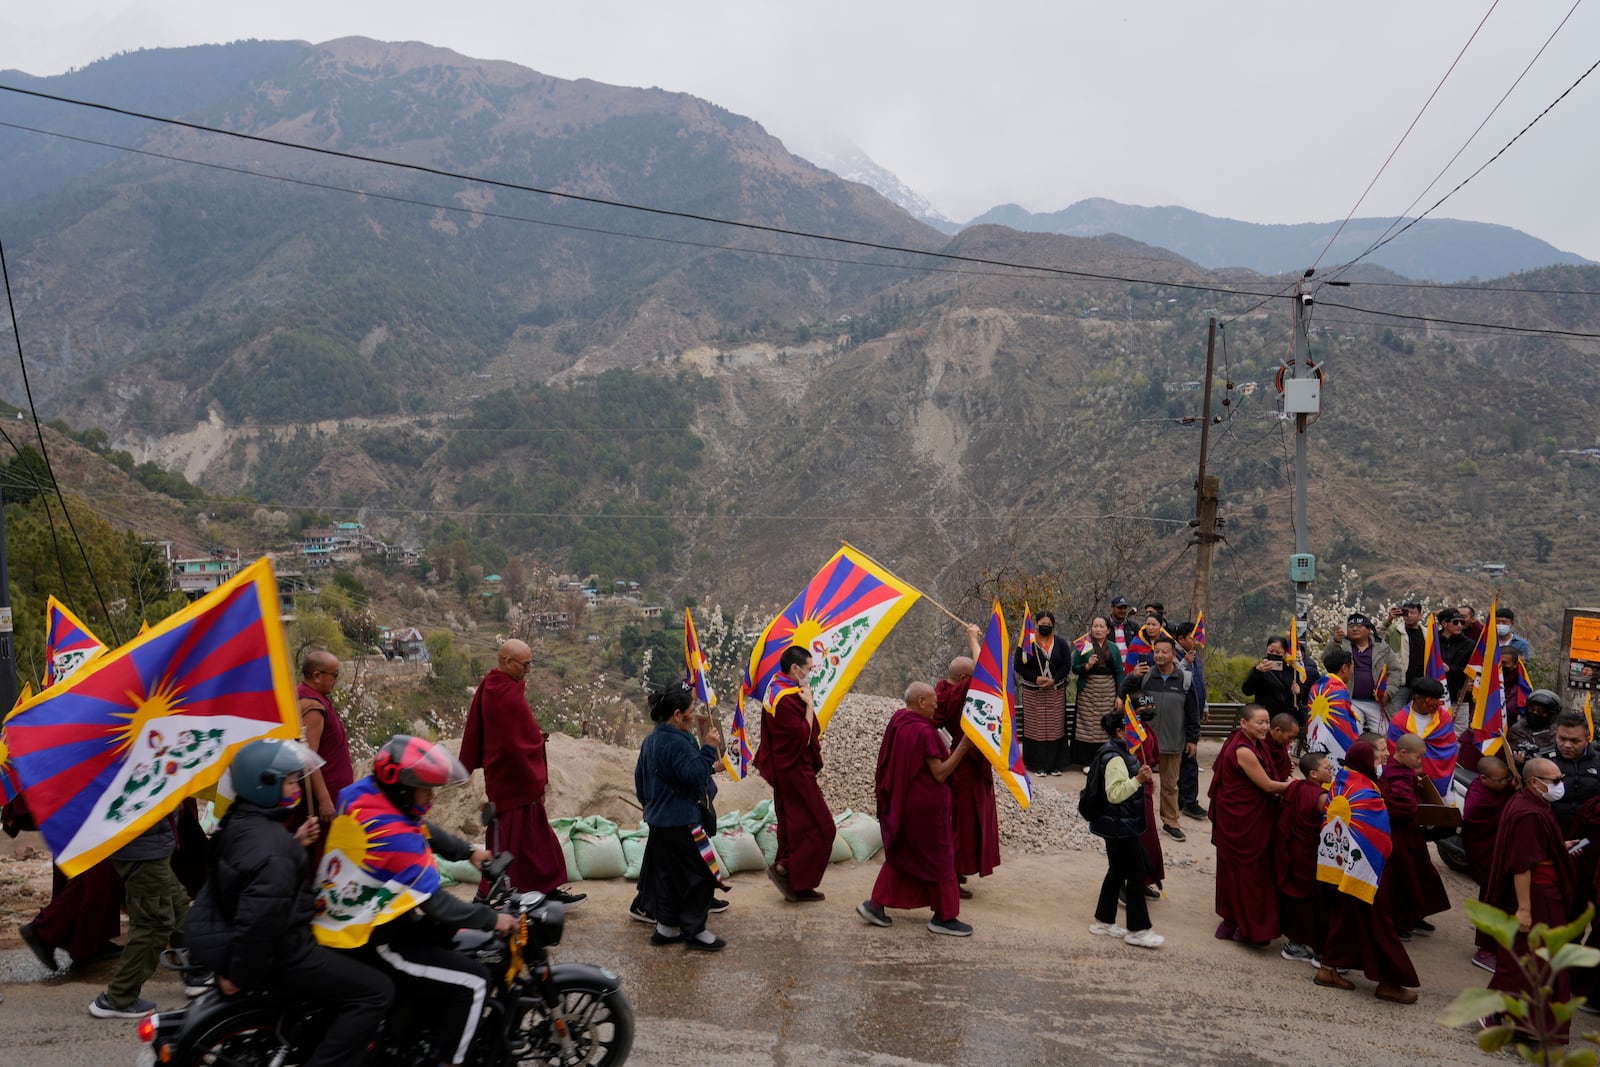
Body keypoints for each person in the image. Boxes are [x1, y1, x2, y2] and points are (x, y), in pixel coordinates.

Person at [185, 739, 392, 1066]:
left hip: (231, 934)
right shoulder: (274, 849)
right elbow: (260, 922)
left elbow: (252, 879)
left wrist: (294, 846)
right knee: (376, 990)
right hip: (282, 953)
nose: (298, 786)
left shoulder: (238, 823)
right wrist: (238, 975)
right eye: (292, 780)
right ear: (265, 784)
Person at [315, 736, 517, 1067]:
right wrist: (492, 919)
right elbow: (437, 905)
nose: (432, 798)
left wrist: (469, 852)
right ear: (404, 790)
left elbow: (422, 826)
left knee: (442, 942)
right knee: (474, 981)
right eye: (426, 790)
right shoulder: (396, 839)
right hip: (372, 939)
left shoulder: (363, 796)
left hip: (345, 917)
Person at [460, 639, 584, 905]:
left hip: (520, 781)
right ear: (507, 662)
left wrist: (533, 737)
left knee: (535, 839)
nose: (528, 670)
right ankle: (485, 896)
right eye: (525, 664)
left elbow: (516, 732)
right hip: (510, 779)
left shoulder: (502, 686)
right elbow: (509, 743)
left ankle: (545, 889)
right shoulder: (500, 692)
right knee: (506, 840)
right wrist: (535, 742)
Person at [858, 681, 977, 937]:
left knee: (902, 857)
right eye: (933, 700)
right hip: (926, 812)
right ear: (921, 702)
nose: (937, 705)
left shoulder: (899, 721)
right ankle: (945, 917)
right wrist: (962, 748)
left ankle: (875, 905)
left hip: (904, 805)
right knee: (942, 861)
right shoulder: (924, 732)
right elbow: (940, 773)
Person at [1315, 741, 1420, 1003]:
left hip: (1339, 864)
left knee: (1345, 917)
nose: (1381, 763)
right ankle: (1389, 982)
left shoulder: (1342, 780)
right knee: (1379, 923)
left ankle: (1328, 969)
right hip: (1366, 868)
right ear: (1366, 763)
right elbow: (1378, 834)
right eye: (1376, 760)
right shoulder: (1365, 792)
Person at [1486, 757, 1579, 1039]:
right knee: (1532, 963)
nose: (1559, 785)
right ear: (1534, 782)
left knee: (1533, 961)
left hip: (1542, 892)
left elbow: (1532, 848)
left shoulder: (1531, 802)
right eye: (1554, 781)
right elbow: (1522, 865)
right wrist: (1525, 909)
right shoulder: (1530, 813)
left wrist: (1557, 848)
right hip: (1537, 897)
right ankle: (1506, 1018)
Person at [637, 681, 726, 951]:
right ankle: (695, 929)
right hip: (682, 820)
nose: (693, 715)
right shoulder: (676, 742)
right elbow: (692, 775)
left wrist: (653, 807)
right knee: (699, 874)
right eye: (690, 711)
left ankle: (665, 928)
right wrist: (709, 748)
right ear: (677, 715)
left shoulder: (651, 740)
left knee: (667, 876)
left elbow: (641, 782)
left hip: (659, 820)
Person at [87, 811, 192, 1018]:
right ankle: (119, 997)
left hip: (149, 843)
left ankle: (196, 968)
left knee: (176, 902)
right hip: (142, 847)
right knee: (153, 924)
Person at [754, 646, 832, 903]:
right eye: (809, 669)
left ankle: (797, 885)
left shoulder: (776, 687)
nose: (811, 674)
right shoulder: (787, 698)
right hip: (796, 770)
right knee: (823, 827)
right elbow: (802, 736)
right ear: (795, 669)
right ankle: (785, 868)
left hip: (784, 769)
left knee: (794, 826)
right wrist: (809, 705)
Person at [1208, 705, 1289, 946]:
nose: (1264, 727)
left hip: (1245, 814)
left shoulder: (1254, 742)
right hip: (1240, 820)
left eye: (1266, 721)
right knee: (1249, 873)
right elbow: (1267, 785)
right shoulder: (1243, 749)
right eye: (1259, 722)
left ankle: (1233, 922)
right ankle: (1248, 927)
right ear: (1243, 723)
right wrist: (1298, 787)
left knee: (1243, 873)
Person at [1086, 710, 1164, 949]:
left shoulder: (1121, 752)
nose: (1139, 732)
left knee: (1117, 871)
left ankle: (1103, 921)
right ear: (1120, 732)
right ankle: (1138, 930)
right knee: (1136, 874)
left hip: (1120, 825)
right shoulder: (1115, 758)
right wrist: (1138, 780)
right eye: (1133, 728)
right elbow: (1115, 794)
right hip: (1120, 826)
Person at [932, 625, 1001, 896]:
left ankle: (955, 871)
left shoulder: (942, 691)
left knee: (959, 821)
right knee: (963, 823)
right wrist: (973, 637)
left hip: (961, 761)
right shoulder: (961, 693)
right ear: (963, 678)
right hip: (966, 763)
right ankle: (950, 874)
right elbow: (985, 671)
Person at [1124, 636, 1199, 841]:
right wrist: (1132, 677)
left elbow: (1193, 711)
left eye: (1164, 651)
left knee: (1170, 784)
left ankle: (1171, 822)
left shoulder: (1184, 679)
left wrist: (1192, 739)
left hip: (1173, 740)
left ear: (1174, 655)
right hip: (1145, 742)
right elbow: (1125, 695)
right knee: (1139, 782)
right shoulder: (1146, 676)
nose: (1159, 655)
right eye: (1156, 651)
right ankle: (1136, 819)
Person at [1380, 733, 1451, 939]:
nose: (1419, 762)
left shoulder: (1406, 773)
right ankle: (1399, 922)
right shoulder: (1390, 773)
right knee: (1403, 877)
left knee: (1421, 873)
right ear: (1402, 752)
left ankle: (1415, 914)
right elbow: (1396, 806)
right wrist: (1414, 806)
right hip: (1396, 833)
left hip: (1412, 832)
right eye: (1417, 758)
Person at [1277, 751, 1333, 964]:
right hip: (1311, 853)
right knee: (1314, 902)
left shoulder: (1297, 787)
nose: (1331, 771)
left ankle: (1294, 944)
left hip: (1295, 850)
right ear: (1313, 774)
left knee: (1298, 898)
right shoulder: (1321, 797)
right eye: (1327, 768)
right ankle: (1319, 950)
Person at [1461, 756, 1514, 972]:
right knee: (1491, 898)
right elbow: (1478, 826)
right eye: (1501, 780)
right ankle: (1484, 950)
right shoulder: (1479, 800)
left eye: (1506, 779)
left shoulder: (1495, 790)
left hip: (1501, 857)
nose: (1505, 784)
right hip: (1489, 858)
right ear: (1483, 778)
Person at [297, 650, 355, 833]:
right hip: (323, 803)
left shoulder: (315, 698)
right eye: (334, 674)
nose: (336, 679)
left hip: (334, 794)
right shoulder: (311, 707)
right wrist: (323, 800)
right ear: (316, 676)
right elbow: (308, 757)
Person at [1015, 610, 1072, 775]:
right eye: (1042, 624)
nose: (1045, 627)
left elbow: (1066, 665)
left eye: (1048, 624)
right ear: (1036, 624)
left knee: (1055, 727)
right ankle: (1037, 764)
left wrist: (1054, 679)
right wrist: (1036, 678)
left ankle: (1055, 765)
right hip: (1034, 691)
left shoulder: (1061, 643)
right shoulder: (1027, 643)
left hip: (1055, 689)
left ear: (1053, 625)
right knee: (1036, 728)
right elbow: (1018, 665)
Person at [1330, 614, 1400, 735]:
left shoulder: (1382, 647)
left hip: (1377, 702)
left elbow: (1395, 671)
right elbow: (1327, 661)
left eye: (1359, 626)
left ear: (1368, 629)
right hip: (1350, 700)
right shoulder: (1342, 645)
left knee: (1384, 734)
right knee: (1351, 733)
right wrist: (1335, 641)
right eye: (1351, 626)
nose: (1355, 629)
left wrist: (1388, 693)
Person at [1071, 616, 1125, 771]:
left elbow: (1119, 672)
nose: (1098, 629)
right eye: (1095, 626)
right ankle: (1087, 761)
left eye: (1102, 626)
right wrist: (1087, 665)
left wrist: (1120, 695)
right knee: (1087, 726)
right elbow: (1074, 669)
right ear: (1091, 628)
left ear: (1108, 630)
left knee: (1105, 724)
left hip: (1108, 689)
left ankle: (1106, 758)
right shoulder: (1084, 646)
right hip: (1088, 689)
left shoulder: (1114, 648)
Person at [1173, 620, 1209, 819]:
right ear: (1180, 639)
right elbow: (1176, 676)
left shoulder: (1195, 657)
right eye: (1191, 638)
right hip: (1181, 714)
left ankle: (1184, 799)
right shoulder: (1176, 655)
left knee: (1188, 758)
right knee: (1188, 758)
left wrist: (1204, 705)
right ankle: (1188, 801)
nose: (1195, 641)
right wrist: (1185, 662)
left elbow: (1199, 681)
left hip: (1195, 711)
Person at [1545, 710, 1600, 836]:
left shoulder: (1597, 762)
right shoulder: (1543, 761)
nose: (1567, 745)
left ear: (1587, 739)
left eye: (1575, 741)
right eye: (1562, 739)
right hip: (1552, 834)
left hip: (1590, 836)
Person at [1241, 636, 1300, 724]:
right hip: (1265, 716)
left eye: (1278, 652)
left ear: (1284, 653)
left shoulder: (1291, 670)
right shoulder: (1259, 669)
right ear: (1266, 650)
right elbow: (1247, 690)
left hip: (1285, 717)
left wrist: (1297, 691)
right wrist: (1257, 671)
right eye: (1271, 651)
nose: (1274, 654)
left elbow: (1297, 696)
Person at [1382, 601, 1427, 709]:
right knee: (1395, 715)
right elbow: (1377, 636)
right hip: (1401, 682)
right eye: (1406, 612)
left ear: (1420, 615)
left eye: (1413, 612)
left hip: (1420, 684)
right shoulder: (1395, 630)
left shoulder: (1427, 633)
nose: (1409, 616)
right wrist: (1389, 620)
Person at [1509, 689, 1561, 767]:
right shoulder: (1518, 730)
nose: (1535, 713)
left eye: (1541, 711)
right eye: (1532, 709)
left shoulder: (1557, 729)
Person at [1264, 713, 1299, 782]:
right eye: (1290, 737)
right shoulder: (1261, 744)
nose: (1291, 741)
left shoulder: (1279, 745)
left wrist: (1288, 766)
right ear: (1278, 730)